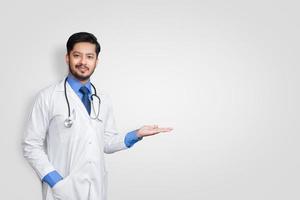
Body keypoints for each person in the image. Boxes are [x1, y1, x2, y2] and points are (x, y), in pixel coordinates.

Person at [22, 32, 173, 200]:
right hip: (62, 191)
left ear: (96, 61)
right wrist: (55, 181)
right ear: (67, 58)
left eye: (89, 57)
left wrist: (136, 134)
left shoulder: (103, 98)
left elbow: (106, 143)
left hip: (96, 189)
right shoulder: (48, 97)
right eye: (77, 56)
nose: (83, 62)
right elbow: (31, 145)